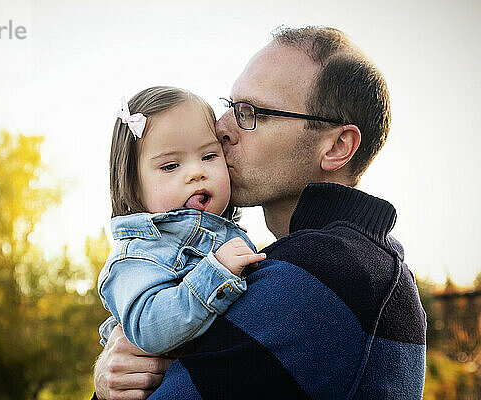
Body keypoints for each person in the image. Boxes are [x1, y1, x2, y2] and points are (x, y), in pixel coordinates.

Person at [93, 26, 427, 399]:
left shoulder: (324, 275)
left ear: (336, 146)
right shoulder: (342, 263)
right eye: (230, 106)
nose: (221, 129)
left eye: (252, 113)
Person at [98, 87, 266, 356]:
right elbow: (150, 329)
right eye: (170, 166)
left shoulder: (223, 234)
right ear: (132, 182)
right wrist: (216, 273)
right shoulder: (139, 255)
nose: (196, 172)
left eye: (209, 157)